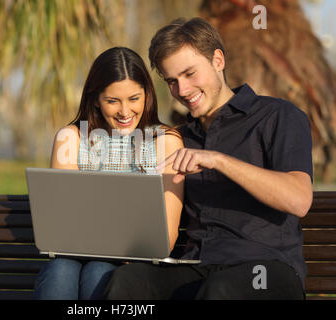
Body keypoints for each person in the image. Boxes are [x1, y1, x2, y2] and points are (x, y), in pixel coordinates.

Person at [102, 17, 313, 300]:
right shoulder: (177, 139)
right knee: (128, 281)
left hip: (267, 271)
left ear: (218, 60)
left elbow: (298, 199)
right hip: (198, 266)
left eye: (190, 74)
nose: (183, 91)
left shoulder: (278, 116)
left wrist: (218, 160)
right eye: (172, 82)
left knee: (219, 290)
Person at [34, 46, 185, 300]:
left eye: (134, 99)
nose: (125, 112)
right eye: (113, 101)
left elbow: (166, 238)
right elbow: (61, 227)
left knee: (99, 271)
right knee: (61, 270)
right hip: (72, 257)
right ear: (95, 99)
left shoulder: (166, 141)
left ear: (147, 95)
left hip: (131, 263)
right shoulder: (72, 138)